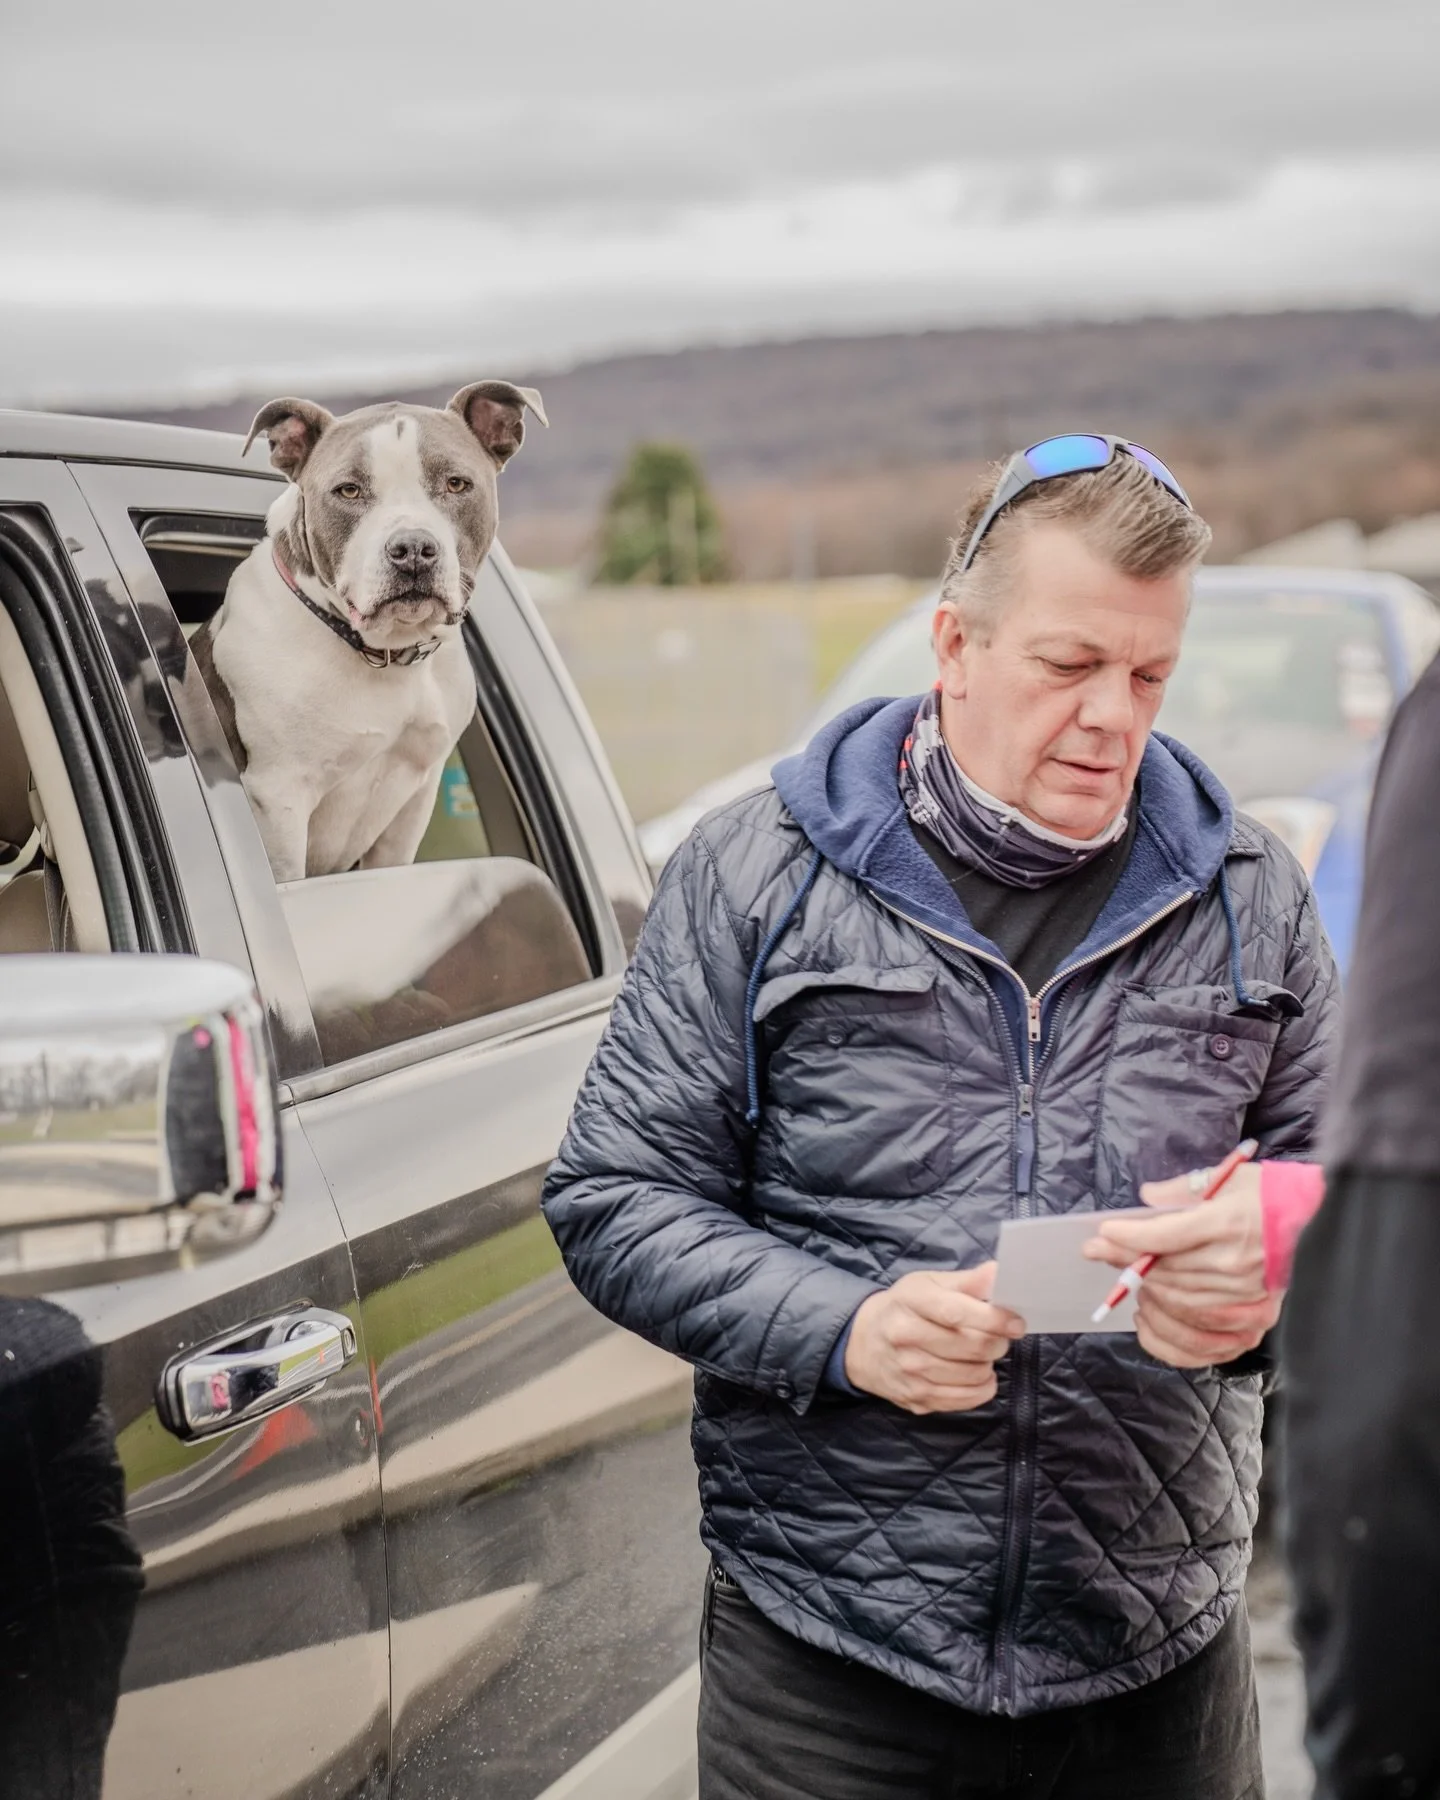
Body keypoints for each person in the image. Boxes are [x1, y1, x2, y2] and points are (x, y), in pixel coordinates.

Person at [542, 435, 1339, 1800]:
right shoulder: (755, 872)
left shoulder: (1249, 890)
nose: (1114, 716)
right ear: (954, 645)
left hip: (1158, 1661)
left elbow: (1361, 1205)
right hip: (834, 1664)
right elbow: (616, 1199)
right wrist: (841, 1331)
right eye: (1069, 665)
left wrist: (1272, 1287)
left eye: (1151, 675)